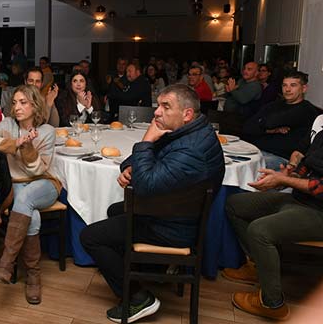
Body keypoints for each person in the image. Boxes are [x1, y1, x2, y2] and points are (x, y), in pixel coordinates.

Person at [80, 84, 224, 323]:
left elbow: (145, 185)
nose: (157, 112)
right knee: (115, 209)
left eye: (165, 107)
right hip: (175, 212)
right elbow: (143, 159)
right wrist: (129, 167)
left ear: (187, 113)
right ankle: (150, 270)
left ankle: (138, 298)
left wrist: (146, 139)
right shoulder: (189, 131)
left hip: (173, 228)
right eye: (158, 105)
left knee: (89, 237)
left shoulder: (191, 150)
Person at [222, 122, 323, 321]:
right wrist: (289, 173)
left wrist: (284, 181)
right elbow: (309, 163)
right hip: (300, 199)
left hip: (319, 211)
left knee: (259, 231)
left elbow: (319, 187)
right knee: (235, 204)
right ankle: (259, 266)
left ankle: (272, 303)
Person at [0, 85, 61, 305]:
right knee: (29, 211)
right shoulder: (8, 125)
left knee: (25, 199)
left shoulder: (47, 131)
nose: (17, 107)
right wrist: (15, 143)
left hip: (46, 183)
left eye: (23, 102)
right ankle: (33, 276)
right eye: (14, 102)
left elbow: (37, 171)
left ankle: (6, 264)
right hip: (19, 186)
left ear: (35, 105)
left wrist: (28, 148)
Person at [243, 71, 319, 169]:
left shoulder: (306, 109)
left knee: (246, 167)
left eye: (293, 85)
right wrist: (271, 130)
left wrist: (264, 124)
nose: (287, 89)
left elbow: (270, 122)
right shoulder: (274, 105)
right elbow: (247, 127)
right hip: (256, 150)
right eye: (284, 85)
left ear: (303, 88)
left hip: (281, 158)